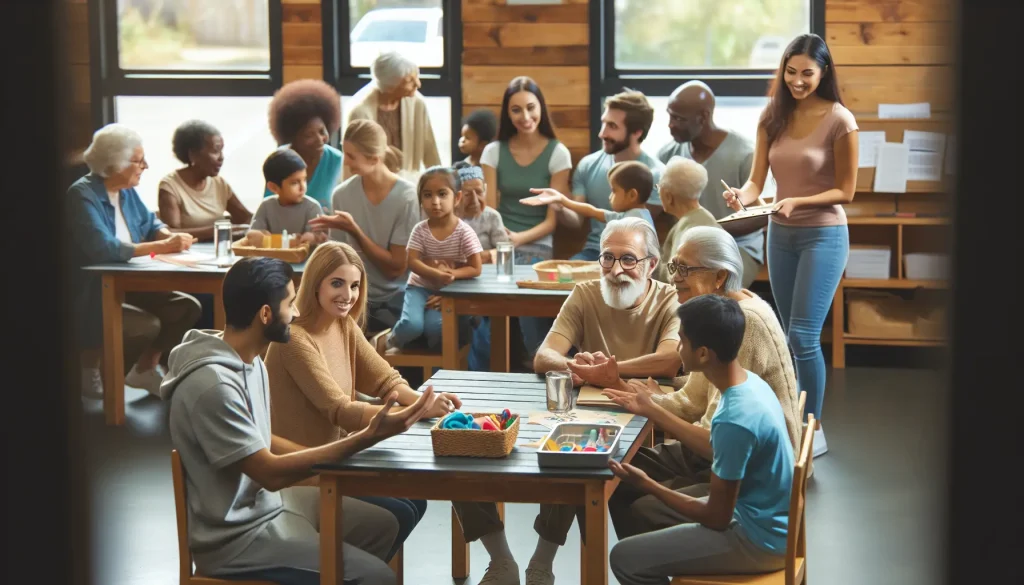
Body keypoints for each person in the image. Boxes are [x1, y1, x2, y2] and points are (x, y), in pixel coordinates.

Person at [162, 256, 439, 584]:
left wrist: (341, 457)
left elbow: (261, 442)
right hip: (239, 538)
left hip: (270, 505)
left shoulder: (251, 363)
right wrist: (365, 438)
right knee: (377, 576)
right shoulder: (214, 386)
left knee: (387, 524)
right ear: (265, 314)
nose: (295, 313)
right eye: (289, 304)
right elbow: (268, 473)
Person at [264, 242, 461, 561]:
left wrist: (427, 401)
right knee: (399, 514)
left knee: (414, 504)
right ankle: (345, 570)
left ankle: (356, 569)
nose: (348, 295)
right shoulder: (293, 340)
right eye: (337, 283)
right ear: (315, 283)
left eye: (355, 285)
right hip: (305, 468)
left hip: (339, 459)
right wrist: (412, 411)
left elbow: (385, 380)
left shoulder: (342, 324)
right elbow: (340, 410)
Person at [601, 226, 801, 540]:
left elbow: (714, 439)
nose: (673, 278)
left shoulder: (742, 322)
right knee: (613, 466)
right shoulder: (719, 315)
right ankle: (650, 560)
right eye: (673, 266)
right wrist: (633, 390)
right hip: (727, 449)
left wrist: (653, 407)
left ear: (719, 277)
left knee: (633, 494)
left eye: (685, 269)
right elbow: (695, 399)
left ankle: (650, 562)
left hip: (749, 472)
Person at [517, 218, 681, 585]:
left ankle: (547, 561)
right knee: (575, 458)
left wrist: (610, 370)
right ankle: (541, 564)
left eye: (628, 259)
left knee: (587, 462)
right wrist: (584, 370)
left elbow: (670, 359)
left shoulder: (670, 298)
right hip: (592, 414)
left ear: (651, 264)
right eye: (608, 258)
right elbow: (545, 356)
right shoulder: (586, 292)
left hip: (650, 420)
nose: (616, 269)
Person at [721, 34, 858, 455]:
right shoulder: (772, 116)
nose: (798, 81)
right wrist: (741, 197)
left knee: (803, 336)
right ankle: (790, 419)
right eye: (791, 71)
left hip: (824, 233)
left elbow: (847, 191)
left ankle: (810, 429)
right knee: (786, 335)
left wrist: (798, 199)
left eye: (807, 73)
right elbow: (756, 182)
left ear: (824, 72)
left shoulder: (840, 120)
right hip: (779, 234)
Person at [604, 295, 795, 583]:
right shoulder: (751, 384)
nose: (678, 348)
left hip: (757, 541)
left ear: (703, 354)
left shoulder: (733, 418)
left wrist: (647, 483)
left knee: (623, 558)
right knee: (643, 512)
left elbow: (716, 517)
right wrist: (654, 408)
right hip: (770, 522)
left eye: (681, 340)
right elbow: (721, 451)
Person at [68, 123, 201, 399]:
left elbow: (151, 222)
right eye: (139, 161)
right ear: (115, 164)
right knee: (146, 325)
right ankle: (98, 372)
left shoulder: (126, 190)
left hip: (134, 283)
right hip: (92, 291)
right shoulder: (82, 194)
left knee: (187, 308)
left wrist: (165, 234)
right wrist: (162, 245)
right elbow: (103, 248)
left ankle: (143, 370)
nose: (146, 166)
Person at [481, 76, 572, 360]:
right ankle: (484, 375)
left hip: (537, 245)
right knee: (483, 309)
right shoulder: (493, 150)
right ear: (507, 114)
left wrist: (518, 239)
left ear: (541, 108)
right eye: (516, 110)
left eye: (531, 107)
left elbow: (551, 222)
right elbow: (488, 209)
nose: (525, 116)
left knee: (528, 311)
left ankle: (538, 364)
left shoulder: (558, 153)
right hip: (499, 242)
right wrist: (502, 240)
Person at [311, 119, 418, 334]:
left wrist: (354, 230)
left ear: (375, 159)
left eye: (351, 156)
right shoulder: (341, 194)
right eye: (345, 153)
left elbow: (395, 270)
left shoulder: (407, 197)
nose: (346, 162)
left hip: (395, 299)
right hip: (351, 299)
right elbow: (338, 265)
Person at [657, 81, 764, 288]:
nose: (670, 124)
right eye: (670, 115)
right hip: (684, 247)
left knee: (706, 287)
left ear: (703, 117)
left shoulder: (745, 154)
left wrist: (705, 230)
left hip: (736, 247)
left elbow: (763, 216)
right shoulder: (667, 155)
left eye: (679, 118)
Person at [558, 89, 666, 261]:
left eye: (612, 126)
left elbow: (636, 231)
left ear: (637, 132)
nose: (602, 133)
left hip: (632, 255)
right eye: (604, 123)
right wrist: (559, 205)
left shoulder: (655, 175)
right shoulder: (588, 165)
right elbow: (576, 221)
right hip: (594, 250)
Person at [387, 167, 483, 351]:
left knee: (435, 327)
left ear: (457, 198)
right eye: (428, 195)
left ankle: (432, 367)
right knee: (411, 325)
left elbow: (475, 268)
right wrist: (434, 274)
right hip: (419, 288)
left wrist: (451, 273)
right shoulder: (420, 230)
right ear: (421, 200)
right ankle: (390, 340)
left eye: (442, 194)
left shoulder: (464, 232)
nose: (435, 202)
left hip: (448, 291)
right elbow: (412, 262)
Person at [345, 51, 441, 179]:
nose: (418, 84)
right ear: (390, 86)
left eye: (416, 78)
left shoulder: (417, 103)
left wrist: (441, 180)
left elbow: (430, 149)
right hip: (373, 185)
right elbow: (352, 160)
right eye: (410, 81)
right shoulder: (360, 112)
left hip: (409, 182)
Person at [451, 162, 508, 372]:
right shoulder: (449, 219)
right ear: (456, 195)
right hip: (457, 285)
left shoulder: (492, 217)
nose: (474, 200)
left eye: (479, 191)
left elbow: (504, 252)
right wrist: (484, 256)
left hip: (489, 285)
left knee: (489, 328)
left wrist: (475, 257)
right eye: (467, 193)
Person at [158, 119, 252, 242]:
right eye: (215, 151)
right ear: (193, 154)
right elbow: (170, 233)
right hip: (187, 253)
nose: (221, 157)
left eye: (221, 150)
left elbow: (247, 218)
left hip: (220, 249)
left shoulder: (219, 184)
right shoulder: (170, 186)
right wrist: (219, 230)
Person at [266, 79, 343, 210]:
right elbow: (270, 207)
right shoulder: (280, 160)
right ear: (292, 137)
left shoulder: (337, 161)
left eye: (321, 131)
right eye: (309, 135)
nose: (319, 139)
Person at [524, 160, 656, 236]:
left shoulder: (634, 221)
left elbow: (592, 211)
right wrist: (563, 200)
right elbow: (591, 211)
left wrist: (563, 201)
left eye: (614, 191)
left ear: (632, 195)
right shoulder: (631, 216)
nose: (610, 197)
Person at [652, 157, 718, 282]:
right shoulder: (701, 218)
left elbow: (675, 276)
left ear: (668, 196)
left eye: (658, 187)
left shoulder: (689, 228)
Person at [247, 149, 326, 247]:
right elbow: (252, 236)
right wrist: (289, 242)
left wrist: (314, 237)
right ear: (274, 187)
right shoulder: (266, 207)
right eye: (294, 183)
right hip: (272, 261)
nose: (302, 187)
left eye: (304, 180)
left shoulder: (312, 207)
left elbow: (315, 238)